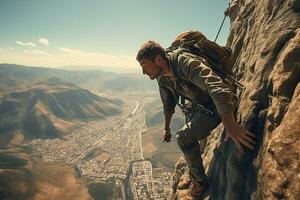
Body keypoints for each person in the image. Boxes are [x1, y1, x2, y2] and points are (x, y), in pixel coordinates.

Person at [136, 40, 256, 198]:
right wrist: (166, 128)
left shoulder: (184, 62)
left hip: (221, 100)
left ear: (158, 59)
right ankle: (194, 174)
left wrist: (231, 125)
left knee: (184, 138)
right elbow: (168, 105)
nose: (144, 72)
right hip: (204, 104)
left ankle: (200, 183)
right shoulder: (163, 79)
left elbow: (217, 87)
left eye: (144, 65)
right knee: (188, 122)